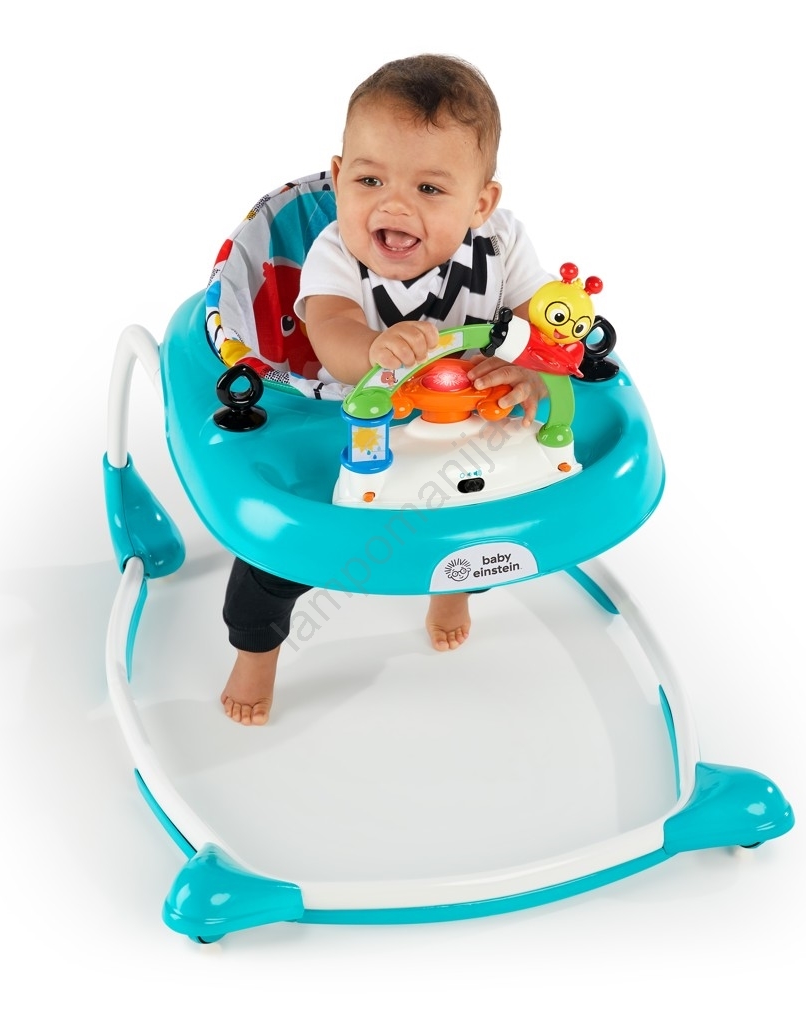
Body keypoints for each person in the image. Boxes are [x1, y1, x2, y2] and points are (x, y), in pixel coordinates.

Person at [221, 54, 554, 725]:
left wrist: (531, 371)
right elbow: (330, 332)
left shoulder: (503, 244)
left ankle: (451, 590)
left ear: (481, 204)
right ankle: (257, 653)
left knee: (474, 526)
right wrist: (371, 350)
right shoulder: (336, 252)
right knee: (277, 559)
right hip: (349, 423)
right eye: (370, 179)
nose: (394, 205)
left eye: (430, 188)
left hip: (462, 426)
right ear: (339, 176)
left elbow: (539, 327)